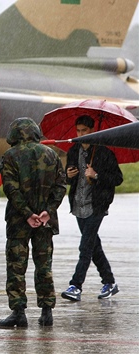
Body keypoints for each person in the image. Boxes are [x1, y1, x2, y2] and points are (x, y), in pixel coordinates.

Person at [0, 117, 66, 328]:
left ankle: (18, 312)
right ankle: (47, 312)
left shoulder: (11, 156)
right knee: (44, 265)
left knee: (17, 266)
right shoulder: (51, 154)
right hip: (46, 221)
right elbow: (61, 185)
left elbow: (11, 188)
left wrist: (27, 213)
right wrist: (48, 211)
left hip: (19, 221)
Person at [61, 115, 123, 302]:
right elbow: (69, 179)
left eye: (84, 131)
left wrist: (96, 176)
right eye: (78, 131)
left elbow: (117, 179)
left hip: (97, 205)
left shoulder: (104, 153)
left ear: (92, 131)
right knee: (93, 246)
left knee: (85, 246)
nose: (80, 134)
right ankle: (109, 281)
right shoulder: (73, 151)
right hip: (78, 205)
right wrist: (68, 175)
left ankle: (76, 285)